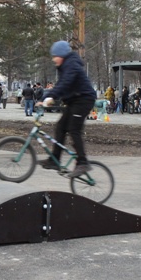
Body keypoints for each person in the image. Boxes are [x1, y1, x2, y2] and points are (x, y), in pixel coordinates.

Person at [40, 40, 96, 178]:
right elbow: (60, 85)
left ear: (62, 55)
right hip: (74, 101)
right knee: (60, 127)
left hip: (84, 100)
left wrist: (51, 97)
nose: (54, 59)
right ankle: (55, 160)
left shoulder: (71, 65)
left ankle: (83, 162)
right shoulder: (65, 66)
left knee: (73, 129)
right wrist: (46, 98)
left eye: (55, 56)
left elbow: (65, 83)